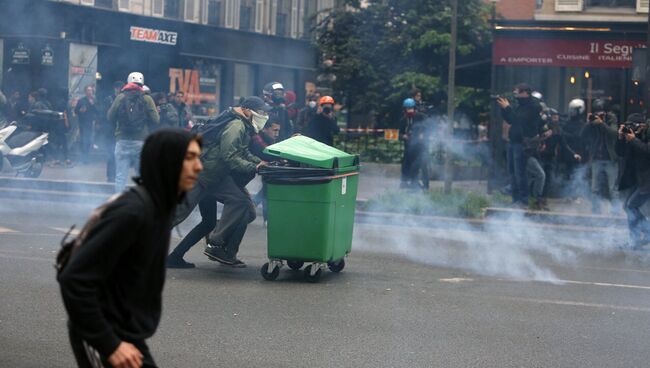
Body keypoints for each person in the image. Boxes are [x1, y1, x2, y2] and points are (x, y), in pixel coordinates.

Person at [58, 129, 203, 368]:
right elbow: (74, 279)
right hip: (102, 331)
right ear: (165, 161)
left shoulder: (162, 206)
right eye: (189, 158)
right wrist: (109, 344)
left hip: (126, 331)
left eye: (198, 157)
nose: (198, 166)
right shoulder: (132, 212)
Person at [167, 96, 270, 268]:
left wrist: (258, 163)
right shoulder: (236, 126)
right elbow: (230, 156)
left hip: (213, 176)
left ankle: (176, 256)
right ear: (246, 110)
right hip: (202, 175)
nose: (264, 115)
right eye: (261, 112)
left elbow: (241, 152)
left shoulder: (242, 125)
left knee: (208, 221)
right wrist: (254, 167)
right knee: (177, 215)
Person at [107, 72, 160, 192]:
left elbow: (110, 116)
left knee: (120, 177)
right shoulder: (147, 98)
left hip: (122, 140)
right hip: (141, 142)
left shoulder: (120, 97)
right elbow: (156, 120)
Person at [497, 83, 543, 207]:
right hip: (513, 142)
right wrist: (503, 108)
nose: (516, 95)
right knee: (512, 173)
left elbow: (519, 120)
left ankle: (523, 201)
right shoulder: (520, 106)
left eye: (518, 92)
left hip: (522, 144)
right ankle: (515, 200)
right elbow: (510, 120)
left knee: (520, 173)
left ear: (525, 93)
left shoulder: (533, 106)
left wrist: (507, 108)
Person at [615, 113, 650, 250]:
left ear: (642, 125)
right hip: (637, 179)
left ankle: (644, 233)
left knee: (631, 206)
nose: (632, 128)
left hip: (647, 180)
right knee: (628, 207)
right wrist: (621, 138)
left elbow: (647, 150)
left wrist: (634, 139)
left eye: (634, 125)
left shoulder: (646, 134)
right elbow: (620, 153)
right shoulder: (631, 136)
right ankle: (634, 240)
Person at [581, 98, 619, 214]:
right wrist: (588, 123)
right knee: (594, 188)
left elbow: (614, 134)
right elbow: (582, 135)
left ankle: (615, 211)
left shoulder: (611, 119)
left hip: (610, 159)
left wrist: (602, 123)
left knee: (612, 188)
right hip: (596, 158)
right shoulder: (592, 121)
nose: (599, 114)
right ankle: (596, 210)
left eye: (602, 112)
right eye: (597, 112)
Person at [250, 120, 281, 224]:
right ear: (265, 129)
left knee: (267, 188)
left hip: (259, 168)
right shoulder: (258, 138)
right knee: (266, 190)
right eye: (274, 130)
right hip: (245, 170)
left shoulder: (269, 139)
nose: (277, 134)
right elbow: (267, 153)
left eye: (278, 131)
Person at [399, 98, 428, 189]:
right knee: (407, 165)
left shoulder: (421, 116)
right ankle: (409, 183)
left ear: (414, 108)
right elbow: (400, 133)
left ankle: (425, 185)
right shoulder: (404, 120)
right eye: (407, 108)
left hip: (421, 146)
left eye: (411, 108)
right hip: (409, 147)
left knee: (423, 165)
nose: (409, 110)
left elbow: (428, 127)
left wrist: (423, 134)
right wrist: (403, 136)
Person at [101, 81, 124, 182]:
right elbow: (104, 115)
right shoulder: (108, 100)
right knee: (111, 153)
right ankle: (110, 175)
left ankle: (118, 175)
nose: (118, 90)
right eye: (117, 88)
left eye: (120, 88)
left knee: (119, 155)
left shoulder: (124, 100)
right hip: (110, 130)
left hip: (121, 131)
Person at [75, 85, 99, 163]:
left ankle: (87, 156)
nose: (90, 92)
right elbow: (76, 111)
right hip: (82, 123)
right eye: (88, 90)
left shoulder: (94, 100)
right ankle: (83, 157)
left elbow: (98, 111)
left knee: (89, 140)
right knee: (83, 139)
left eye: (91, 90)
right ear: (85, 92)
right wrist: (80, 111)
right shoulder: (81, 100)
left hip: (91, 122)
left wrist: (93, 104)